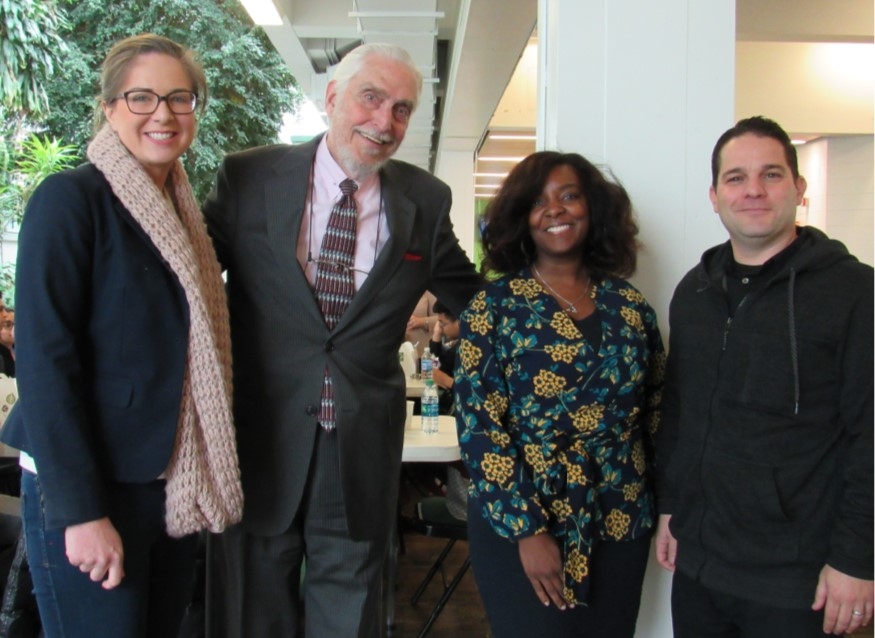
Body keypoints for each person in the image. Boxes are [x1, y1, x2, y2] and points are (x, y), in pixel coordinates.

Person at [203, 42, 480, 637]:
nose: (384, 122)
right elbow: (186, 275)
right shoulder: (249, 177)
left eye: (402, 109)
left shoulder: (424, 201)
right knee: (254, 611)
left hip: (358, 452)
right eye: (371, 98)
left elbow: (476, 300)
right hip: (261, 443)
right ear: (332, 97)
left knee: (351, 613)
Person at [0, 34, 243, 638]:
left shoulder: (187, 218)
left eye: (179, 98)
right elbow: (45, 361)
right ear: (108, 108)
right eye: (141, 97)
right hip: (91, 485)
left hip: (169, 487)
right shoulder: (72, 200)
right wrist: (81, 513)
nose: (162, 114)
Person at [654, 116, 874, 638]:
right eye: (736, 178)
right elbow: (680, 413)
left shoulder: (855, 292)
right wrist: (671, 509)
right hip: (702, 568)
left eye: (771, 175)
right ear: (714, 195)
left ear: (799, 188)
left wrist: (858, 560)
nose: (753, 190)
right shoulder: (696, 291)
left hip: (801, 580)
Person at [454, 151, 665, 638]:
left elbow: (656, 414)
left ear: (593, 210)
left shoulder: (631, 308)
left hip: (619, 515)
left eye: (569, 196)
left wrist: (667, 507)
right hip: (524, 521)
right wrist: (528, 530)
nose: (556, 210)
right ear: (520, 219)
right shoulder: (494, 307)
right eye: (539, 201)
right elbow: (480, 427)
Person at [428, 300, 460, 414]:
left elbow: (439, 368)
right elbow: (436, 366)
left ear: (458, 321)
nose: (440, 328)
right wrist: (436, 336)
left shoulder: (466, 348)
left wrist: (448, 381)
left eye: (442, 324)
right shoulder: (457, 346)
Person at [406, 291, 438, 356]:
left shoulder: (428, 292)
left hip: (423, 354)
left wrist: (422, 321)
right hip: (395, 353)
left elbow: (443, 319)